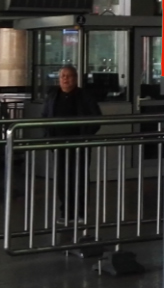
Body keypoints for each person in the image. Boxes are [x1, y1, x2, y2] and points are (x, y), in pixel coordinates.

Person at [42, 65, 101, 225]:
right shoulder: (53, 96)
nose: (65, 79)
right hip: (58, 145)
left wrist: (85, 136)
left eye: (69, 76)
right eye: (63, 76)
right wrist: (48, 136)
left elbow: (96, 118)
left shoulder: (84, 96)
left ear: (75, 78)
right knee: (62, 179)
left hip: (79, 145)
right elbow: (45, 116)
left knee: (79, 179)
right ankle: (65, 212)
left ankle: (79, 213)